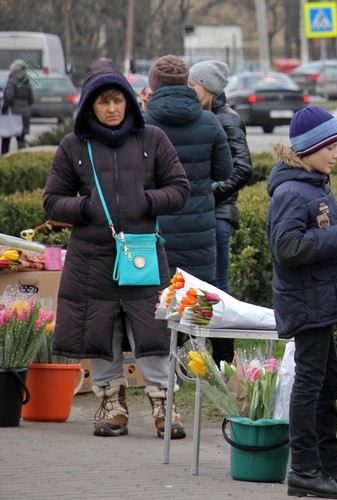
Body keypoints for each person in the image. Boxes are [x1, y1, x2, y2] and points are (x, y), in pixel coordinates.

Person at [42, 59, 191, 438]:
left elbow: (180, 189)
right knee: (99, 330)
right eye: (103, 102)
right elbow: (52, 200)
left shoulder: (153, 139)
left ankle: (164, 403)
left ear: (128, 101)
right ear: (89, 106)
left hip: (142, 252)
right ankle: (111, 401)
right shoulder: (74, 145)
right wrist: (85, 207)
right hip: (92, 258)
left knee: (153, 329)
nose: (111, 108)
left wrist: (147, 201)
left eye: (117, 100)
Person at [267, 106, 337, 498]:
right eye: (330, 146)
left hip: (322, 300)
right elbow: (287, 248)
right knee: (310, 384)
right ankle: (305, 469)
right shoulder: (292, 192)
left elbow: (321, 239)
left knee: (328, 382)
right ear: (309, 149)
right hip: (306, 304)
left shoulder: (315, 185)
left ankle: (331, 466)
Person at [143, 55, 233, 284]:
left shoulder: (143, 125)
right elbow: (224, 172)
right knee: (196, 309)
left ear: (153, 84)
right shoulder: (210, 121)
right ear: (186, 81)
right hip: (199, 234)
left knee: (159, 308)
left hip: (156, 233)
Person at [188, 60, 253, 365]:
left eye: (193, 86)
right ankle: (194, 359)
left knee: (218, 289)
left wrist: (204, 194)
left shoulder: (227, 119)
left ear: (210, 90)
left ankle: (224, 361)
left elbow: (242, 169)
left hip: (217, 216)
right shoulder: (200, 117)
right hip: (201, 216)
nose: (188, 91)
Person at [2, 59, 34, 154]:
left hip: (12, 114)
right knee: (21, 139)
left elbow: (8, 97)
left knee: (6, 138)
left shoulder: (12, 81)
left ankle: (4, 160)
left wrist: (4, 108)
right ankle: (22, 159)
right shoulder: (27, 81)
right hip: (25, 114)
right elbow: (32, 99)